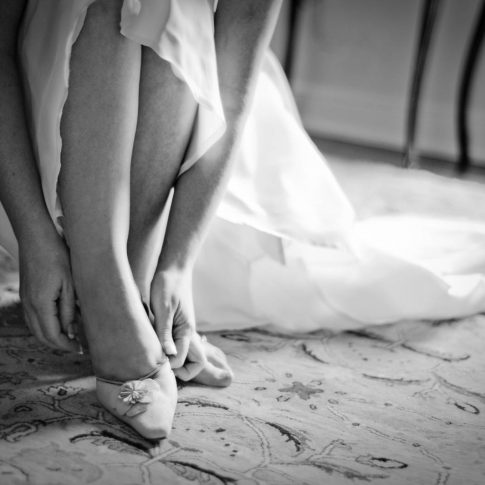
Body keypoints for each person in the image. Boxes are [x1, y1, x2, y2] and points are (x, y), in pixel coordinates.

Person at [2, 0, 485, 444]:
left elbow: (230, 98)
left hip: (175, 147)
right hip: (30, 145)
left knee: (173, 6)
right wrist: (34, 237)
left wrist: (178, 263)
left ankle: (134, 278)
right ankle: (107, 292)